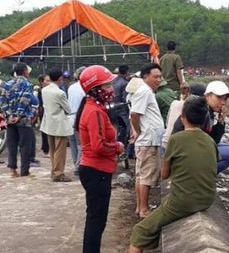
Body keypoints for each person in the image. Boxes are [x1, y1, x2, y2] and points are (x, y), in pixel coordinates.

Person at [128, 96, 218, 253]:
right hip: (207, 200)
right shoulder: (210, 141)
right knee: (156, 221)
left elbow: (164, 174)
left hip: (182, 202)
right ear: (205, 118)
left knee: (139, 230)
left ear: (182, 117)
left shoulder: (175, 139)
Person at [75, 65, 124, 253]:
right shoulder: (94, 111)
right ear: (95, 89)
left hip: (96, 170)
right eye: (107, 85)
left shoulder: (94, 108)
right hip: (96, 171)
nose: (111, 89)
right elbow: (99, 145)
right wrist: (117, 147)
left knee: (96, 218)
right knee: (96, 220)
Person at [172, 80, 229, 173]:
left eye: (225, 99)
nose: (223, 102)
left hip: (194, 147)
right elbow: (203, 142)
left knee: (228, 147)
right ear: (207, 96)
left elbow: (211, 139)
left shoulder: (208, 111)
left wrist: (220, 122)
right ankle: (199, 174)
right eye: (219, 97)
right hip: (185, 152)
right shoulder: (200, 111)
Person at [130, 63, 164, 218]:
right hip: (148, 140)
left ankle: (140, 207)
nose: (159, 80)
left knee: (141, 175)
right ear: (145, 77)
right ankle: (144, 209)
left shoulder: (146, 91)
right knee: (146, 176)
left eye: (160, 77)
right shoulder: (144, 91)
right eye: (155, 77)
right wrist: (138, 131)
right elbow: (135, 114)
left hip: (148, 139)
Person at [0, 62, 34, 177]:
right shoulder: (27, 84)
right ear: (25, 71)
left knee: (12, 145)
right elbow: (25, 100)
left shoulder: (7, 84)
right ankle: (24, 171)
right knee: (25, 145)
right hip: (23, 119)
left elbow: (2, 101)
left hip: (9, 120)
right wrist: (18, 115)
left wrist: (9, 115)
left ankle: (13, 170)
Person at [40, 68, 73, 182]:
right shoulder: (60, 93)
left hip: (49, 122)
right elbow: (68, 109)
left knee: (53, 149)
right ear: (60, 79)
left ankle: (54, 171)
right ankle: (58, 173)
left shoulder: (44, 90)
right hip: (59, 124)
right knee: (60, 150)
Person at [68, 66, 86, 176]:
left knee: (73, 143)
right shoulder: (85, 88)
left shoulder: (71, 87)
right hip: (80, 118)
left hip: (70, 117)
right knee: (81, 144)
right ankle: (78, 166)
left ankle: (75, 163)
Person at [37, 74, 51, 157]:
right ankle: (46, 149)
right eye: (47, 80)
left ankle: (48, 148)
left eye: (49, 80)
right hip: (43, 112)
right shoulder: (41, 90)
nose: (49, 82)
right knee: (44, 131)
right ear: (42, 82)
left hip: (49, 111)